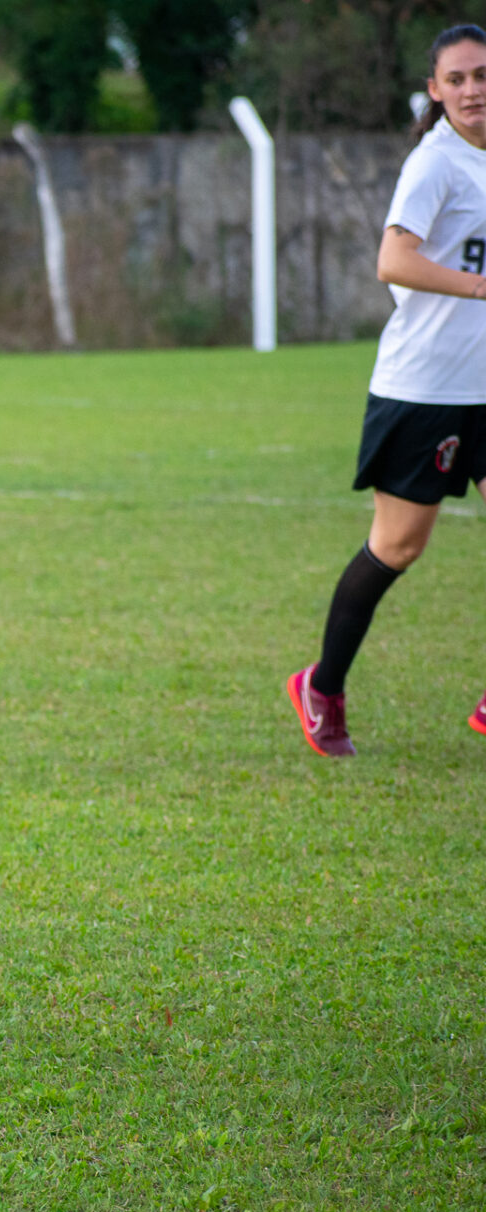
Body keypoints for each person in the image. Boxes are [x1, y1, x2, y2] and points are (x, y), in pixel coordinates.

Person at [287, 24, 486, 757]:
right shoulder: (434, 165)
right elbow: (392, 260)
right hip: (426, 386)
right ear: (435, 90)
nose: (473, 89)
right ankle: (323, 683)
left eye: (483, 75)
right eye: (458, 79)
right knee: (398, 547)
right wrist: (479, 286)